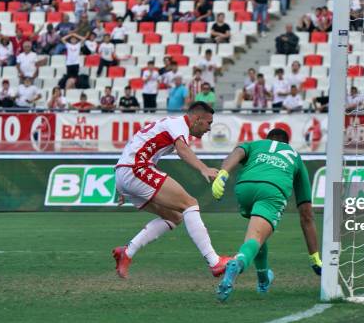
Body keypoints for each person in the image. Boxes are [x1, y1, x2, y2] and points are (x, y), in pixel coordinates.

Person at [112, 102, 230, 279]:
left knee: (174, 217)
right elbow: (182, 150)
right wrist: (203, 168)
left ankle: (127, 252)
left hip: (125, 172)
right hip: (136, 168)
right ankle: (214, 262)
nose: (209, 129)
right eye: (208, 123)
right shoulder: (178, 124)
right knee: (190, 204)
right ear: (197, 119)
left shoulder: (168, 124)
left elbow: (136, 143)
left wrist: (122, 183)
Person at [211, 128, 321, 302]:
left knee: (259, 235)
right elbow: (306, 214)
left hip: (244, 188)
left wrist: (224, 173)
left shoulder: (255, 144)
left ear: (267, 139)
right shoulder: (294, 156)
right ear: (287, 143)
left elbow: (238, 152)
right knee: (254, 238)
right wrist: (314, 257)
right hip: (271, 191)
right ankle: (238, 262)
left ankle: (263, 281)